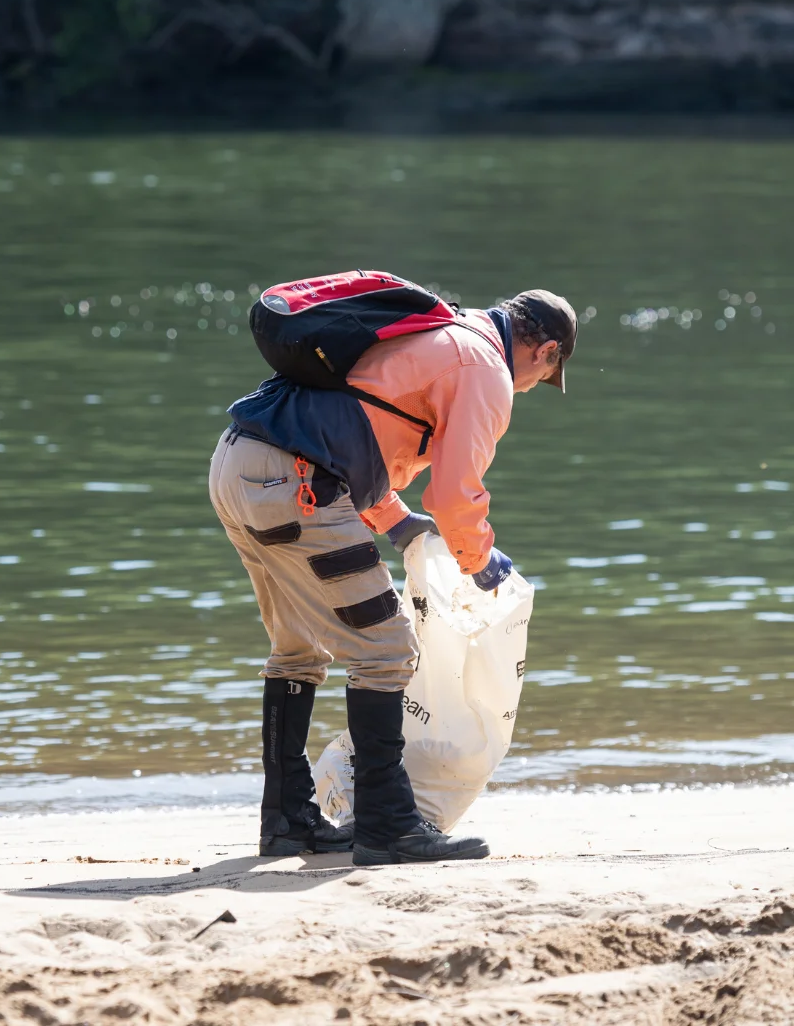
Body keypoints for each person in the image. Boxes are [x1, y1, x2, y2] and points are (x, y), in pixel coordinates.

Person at [208, 283, 577, 866]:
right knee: (387, 651)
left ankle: (286, 821)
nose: (532, 387)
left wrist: (396, 522)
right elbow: (455, 496)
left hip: (240, 463)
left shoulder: (438, 335)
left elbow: (359, 424)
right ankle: (387, 827)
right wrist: (479, 562)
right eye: (545, 376)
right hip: (298, 484)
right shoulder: (486, 369)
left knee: (298, 649)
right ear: (546, 350)